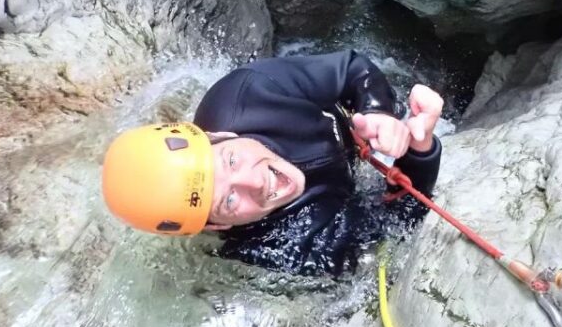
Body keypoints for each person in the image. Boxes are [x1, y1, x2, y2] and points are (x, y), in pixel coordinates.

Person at [102, 50, 444, 275]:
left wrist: (377, 112)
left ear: (222, 136)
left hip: (349, 122)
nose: (255, 182)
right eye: (229, 201)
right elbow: (393, 230)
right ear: (217, 227)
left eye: (231, 161)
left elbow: (351, 68)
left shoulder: (250, 91)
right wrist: (420, 148)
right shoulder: (279, 247)